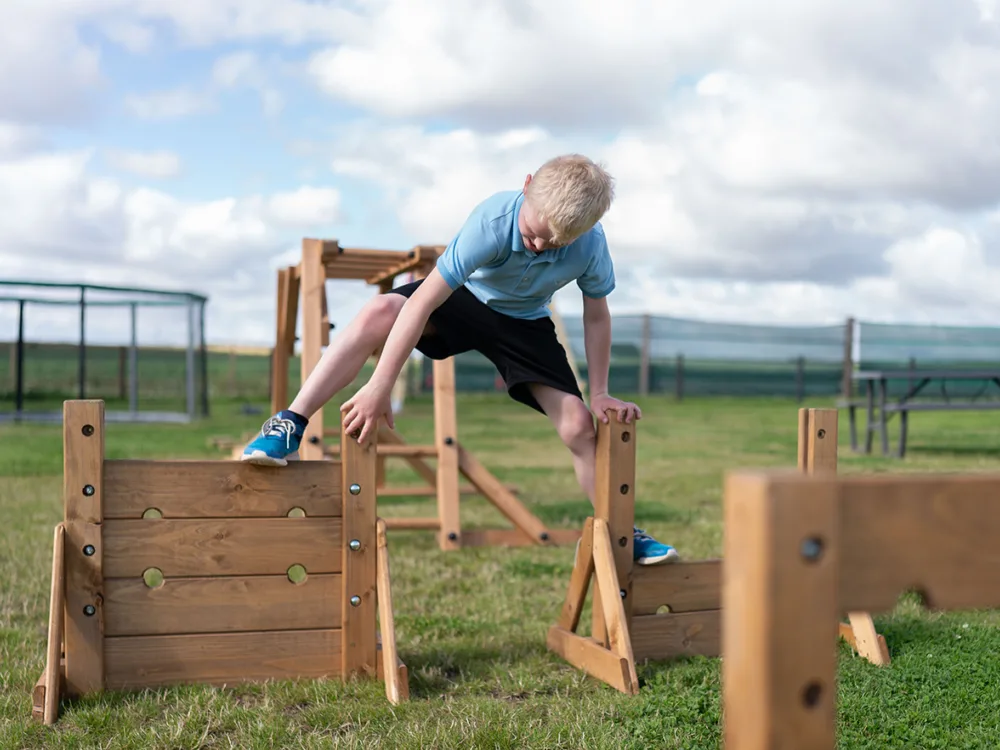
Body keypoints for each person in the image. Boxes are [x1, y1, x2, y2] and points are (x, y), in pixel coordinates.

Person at [242, 154, 679, 566]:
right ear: (526, 187)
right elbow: (422, 302)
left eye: (555, 242)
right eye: (534, 232)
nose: (540, 245)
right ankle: (289, 424)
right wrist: (379, 386)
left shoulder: (589, 245)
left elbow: (596, 314)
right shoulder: (491, 221)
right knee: (379, 311)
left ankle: (623, 531)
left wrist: (599, 392)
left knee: (580, 426)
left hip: (524, 323)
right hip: (462, 300)